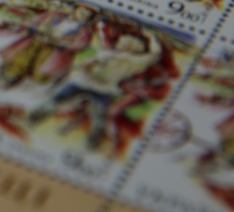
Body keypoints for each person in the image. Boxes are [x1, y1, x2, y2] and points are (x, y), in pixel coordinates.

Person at [29, 32, 162, 151]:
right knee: (94, 115)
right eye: (121, 43)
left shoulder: (121, 58)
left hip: (94, 85)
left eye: (124, 44)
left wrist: (152, 37)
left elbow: (85, 64)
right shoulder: (128, 59)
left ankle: (35, 118)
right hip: (94, 85)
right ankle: (91, 142)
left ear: (131, 48)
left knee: (90, 113)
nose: (120, 45)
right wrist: (152, 38)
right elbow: (155, 54)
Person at [0, 2, 99, 88]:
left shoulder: (84, 31)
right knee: (21, 59)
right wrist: (35, 30)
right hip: (36, 41)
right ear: (75, 10)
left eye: (87, 15)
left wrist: (59, 43)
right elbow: (34, 22)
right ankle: (11, 74)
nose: (83, 16)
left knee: (41, 71)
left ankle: (32, 83)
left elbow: (81, 45)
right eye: (82, 12)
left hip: (54, 51)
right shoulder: (56, 15)